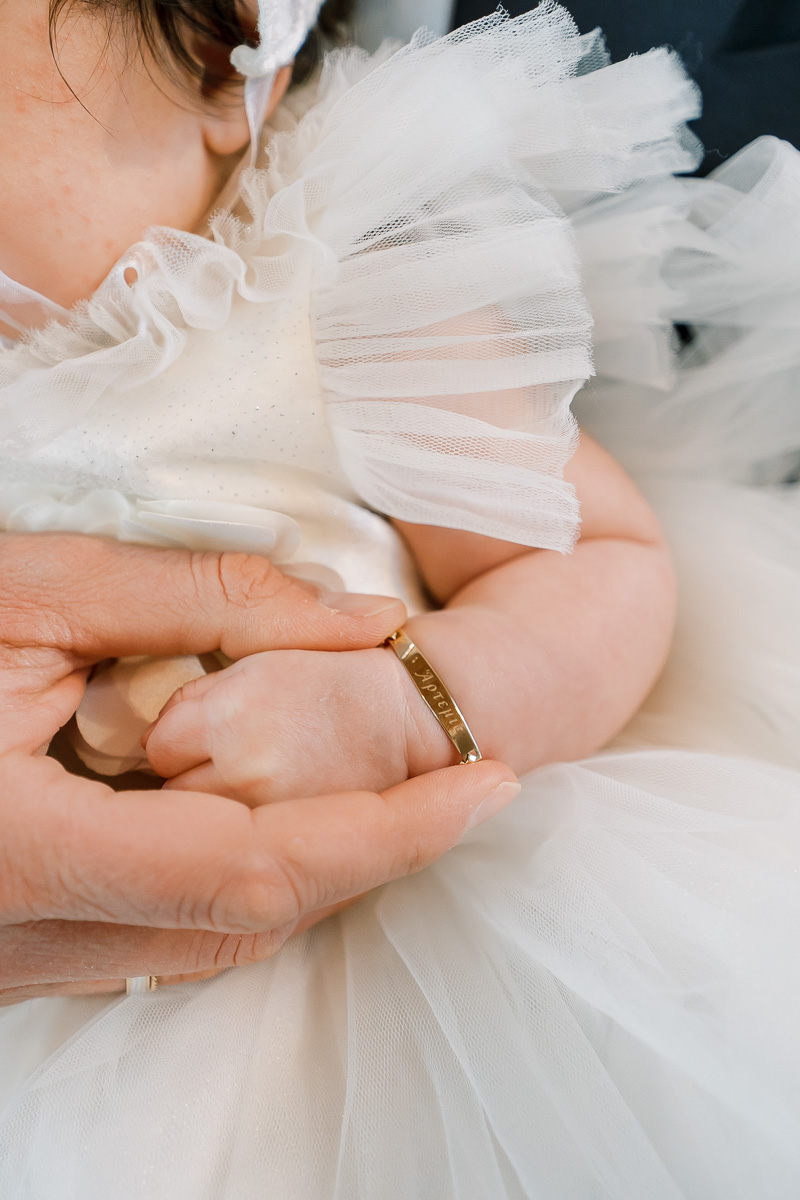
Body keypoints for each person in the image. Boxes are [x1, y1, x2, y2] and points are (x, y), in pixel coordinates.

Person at [0, 0, 799, 1195]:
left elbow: (595, 562)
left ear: (230, 71)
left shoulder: (334, 279)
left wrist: (397, 711)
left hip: (386, 944)